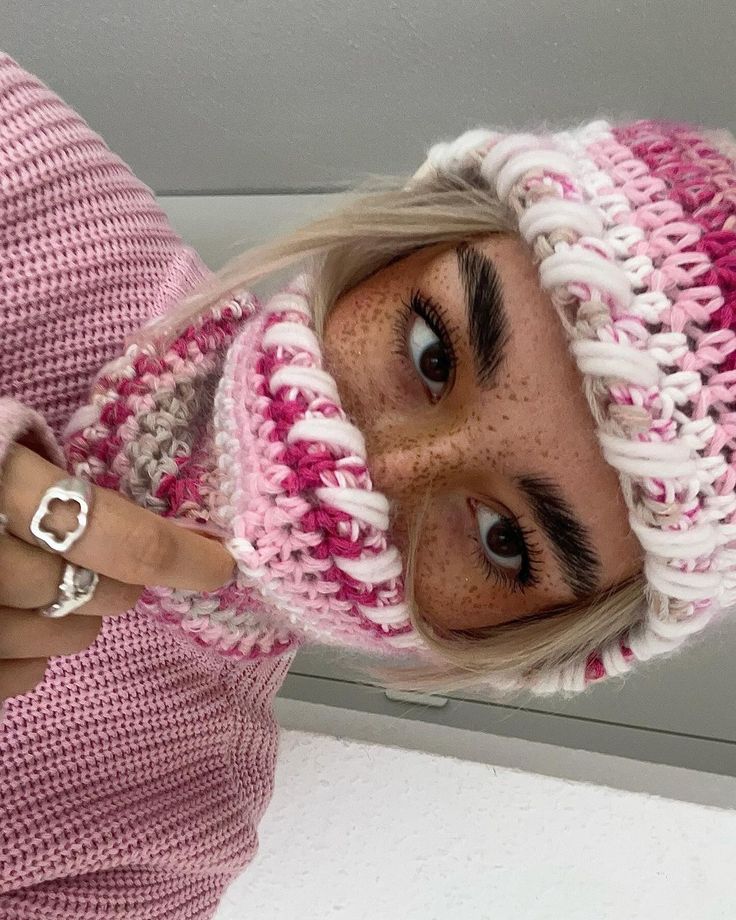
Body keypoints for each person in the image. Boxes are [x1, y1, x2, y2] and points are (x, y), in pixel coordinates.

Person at [1, 51, 735, 918]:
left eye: (505, 539)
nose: (383, 474)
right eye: (433, 354)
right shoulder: (29, 174)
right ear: (400, 247)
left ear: (524, 640)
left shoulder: (155, 847)